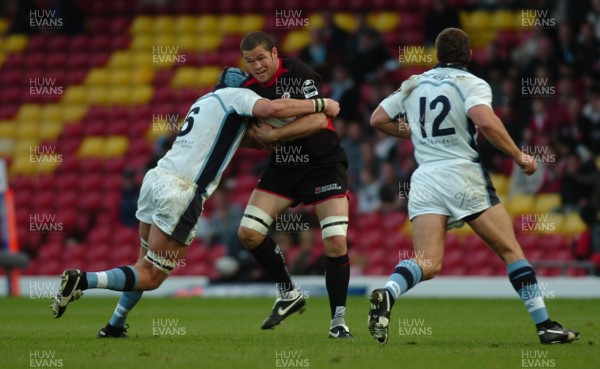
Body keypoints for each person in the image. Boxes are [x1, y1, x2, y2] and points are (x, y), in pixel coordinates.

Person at [50, 67, 340, 338]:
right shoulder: (236, 95)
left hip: (156, 179)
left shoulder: (204, 102)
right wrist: (321, 105)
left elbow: (240, 139)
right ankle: (83, 280)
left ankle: (115, 324)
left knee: (142, 263)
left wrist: (270, 139)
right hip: (182, 191)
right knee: (152, 276)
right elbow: (273, 108)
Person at [367, 28, 579, 345]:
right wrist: (520, 156)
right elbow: (486, 121)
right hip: (462, 174)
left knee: (428, 262)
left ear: (438, 55)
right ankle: (545, 325)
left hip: (424, 177)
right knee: (510, 250)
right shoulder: (471, 83)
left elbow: (377, 119)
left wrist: (419, 134)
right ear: (467, 55)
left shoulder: (414, 83)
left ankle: (389, 290)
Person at [236, 31, 352, 338]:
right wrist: (255, 139)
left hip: (324, 164)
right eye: (250, 61)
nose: (257, 66)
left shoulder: (299, 73)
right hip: (285, 167)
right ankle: (288, 292)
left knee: (336, 241)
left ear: (274, 53)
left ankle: (338, 321)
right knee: (248, 233)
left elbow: (319, 119)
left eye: (261, 58)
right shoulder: (246, 90)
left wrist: (273, 136)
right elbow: (246, 137)